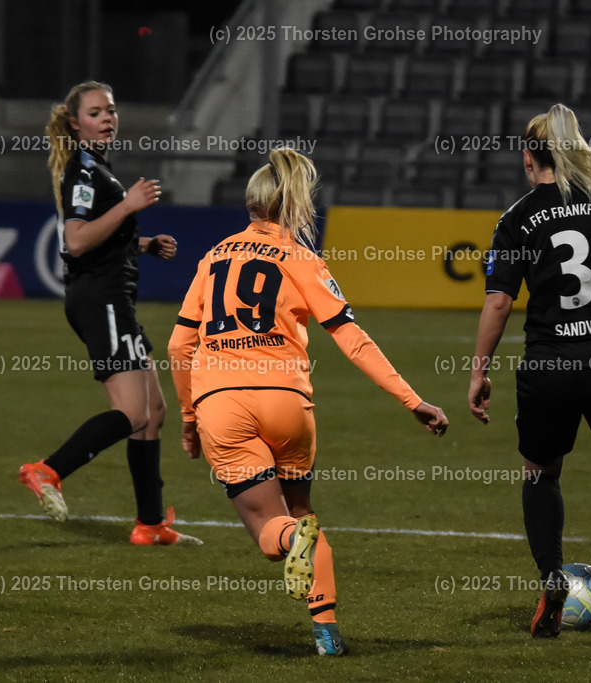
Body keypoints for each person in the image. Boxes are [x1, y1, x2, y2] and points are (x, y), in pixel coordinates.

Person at [167, 147, 449, 656]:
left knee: (272, 534)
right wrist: (413, 400)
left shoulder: (212, 258)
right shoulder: (302, 259)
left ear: (252, 203)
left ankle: (289, 544)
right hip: (289, 405)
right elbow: (351, 337)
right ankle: (326, 630)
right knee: (302, 513)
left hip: (222, 403)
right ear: (294, 204)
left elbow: (178, 345)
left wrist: (189, 418)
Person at [467, 103, 591, 638]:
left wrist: (478, 371)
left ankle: (552, 578)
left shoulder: (516, 218)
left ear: (531, 158)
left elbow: (500, 303)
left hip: (549, 365)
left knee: (539, 473)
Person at [18, 81, 200, 547]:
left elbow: (96, 241)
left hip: (114, 299)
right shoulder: (84, 172)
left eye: (111, 111)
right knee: (133, 412)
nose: (108, 118)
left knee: (154, 412)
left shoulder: (97, 169)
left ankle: (150, 524)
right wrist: (129, 205)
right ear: (77, 123)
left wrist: (141, 244)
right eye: (96, 112)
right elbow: (76, 240)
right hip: (102, 302)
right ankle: (48, 469)